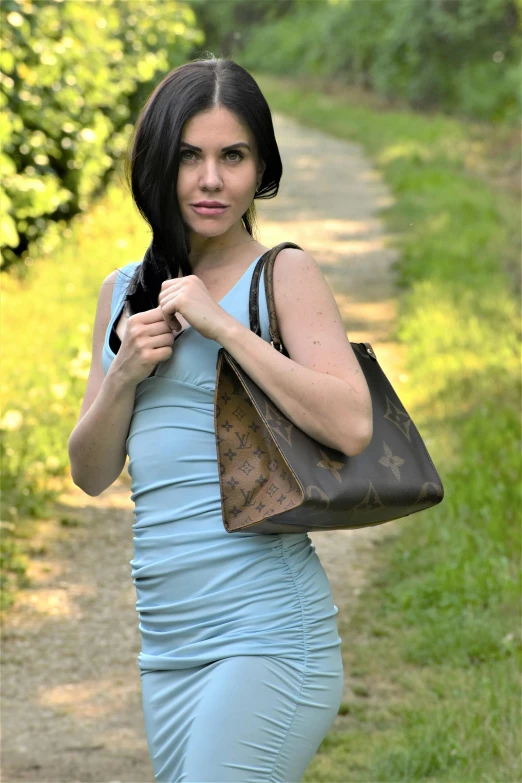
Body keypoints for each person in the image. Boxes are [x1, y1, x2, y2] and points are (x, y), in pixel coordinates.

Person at [68, 56, 372, 783]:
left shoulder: (283, 275)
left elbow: (353, 423)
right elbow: (89, 472)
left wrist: (226, 329)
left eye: (232, 156)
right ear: (157, 164)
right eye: (189, 157)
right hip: (167, 647)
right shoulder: (122, 292)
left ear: (259, 166)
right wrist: (124, 376)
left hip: (266, 634)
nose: (211, 180)